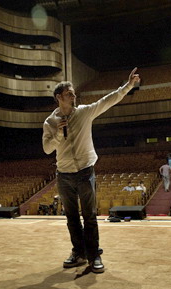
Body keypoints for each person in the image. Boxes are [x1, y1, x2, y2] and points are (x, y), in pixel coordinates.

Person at [42, 67, 141, 273]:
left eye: (74, 93)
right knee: (71, 218)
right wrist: (59, 134)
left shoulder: (85, 112)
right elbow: (47, 148)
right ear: (59, 97)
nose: (74, 96)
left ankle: (94, 255)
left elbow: (108, 99)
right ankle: (78, 253)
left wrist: (128, 85)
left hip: (86, 172)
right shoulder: (50, 122)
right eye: (70, 94)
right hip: (64, 175)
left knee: (89, 216)